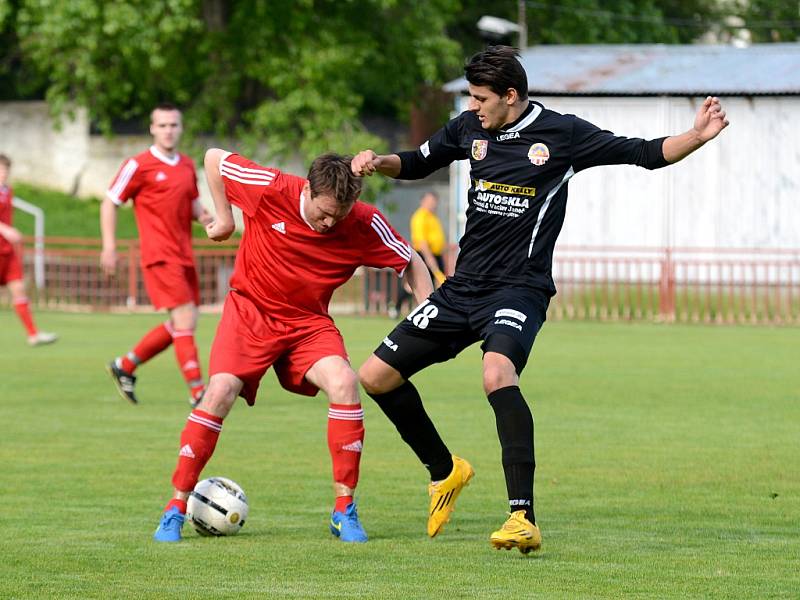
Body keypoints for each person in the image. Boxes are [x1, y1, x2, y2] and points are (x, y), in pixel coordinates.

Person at [351, 45, 729, 554]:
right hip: (463, 288)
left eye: (482, 98)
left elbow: (643, 152)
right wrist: (379, 162)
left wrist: (696, 136)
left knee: (495, 373)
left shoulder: (562, 134)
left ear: (511, 95)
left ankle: (521, 517)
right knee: (375, 375)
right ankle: (445, 472)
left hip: (518, 289)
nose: (474, 106)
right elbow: (419, 161)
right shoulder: (469, 129)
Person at [152, 149, 433, 543]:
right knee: (218, 392)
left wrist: (426, 312)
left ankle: (344, 511)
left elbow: (411, 261)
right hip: (251, 312)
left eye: (339, 214)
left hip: (308, 323)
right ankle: (176, 508)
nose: (330, 223)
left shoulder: (363, 222)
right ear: (307, 190)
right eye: (323, 213)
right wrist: (226, 218)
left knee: (344, 382)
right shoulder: (269, 188)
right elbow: (214, 159)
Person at [101, 103, 213, 406]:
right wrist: (109, 246)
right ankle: (198, 392)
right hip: (159, 254)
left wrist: (206, 218)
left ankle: (125, 365)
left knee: (185, 323)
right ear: (152, 128)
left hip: (184, 254)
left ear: (181, 128)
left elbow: (192, 204)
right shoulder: (138, 165)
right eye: (162, 125)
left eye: (173, 125)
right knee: (185, 320)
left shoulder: (187, 165)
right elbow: (110, 202)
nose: (168, 130)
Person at [0, 154, 58, 346]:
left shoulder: (8, 191)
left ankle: (33, 334)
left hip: (7, 252)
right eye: (1, 169)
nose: (4, 173)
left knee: (18, 289)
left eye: (6, 170)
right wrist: (6, 230)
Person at [391, 191, 447, 317]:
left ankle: (430, 311)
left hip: (436, 255)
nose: (433, 205)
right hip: (424, 255)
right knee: (414, 285)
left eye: (435, 202)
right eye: (430, 202)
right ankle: (396, 308)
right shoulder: (419, 217)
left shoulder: (433, 217)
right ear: (423, 201)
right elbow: (422, 243)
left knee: (436, 284)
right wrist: (430, 261)